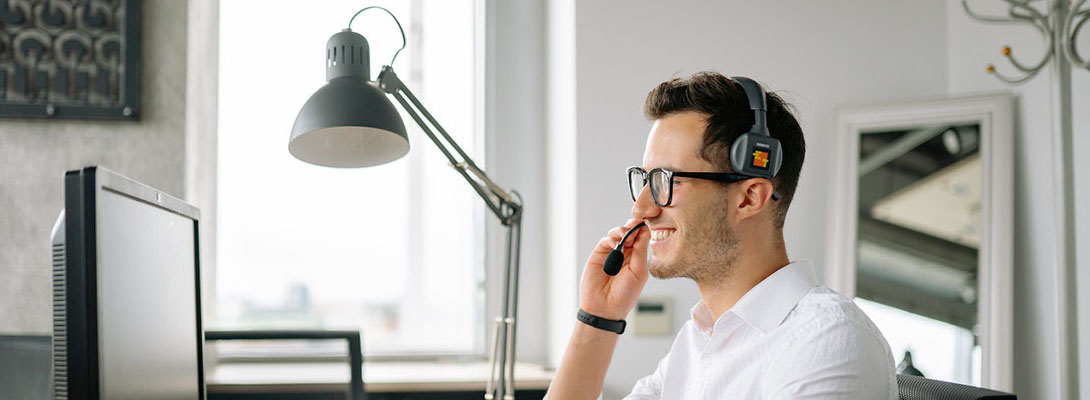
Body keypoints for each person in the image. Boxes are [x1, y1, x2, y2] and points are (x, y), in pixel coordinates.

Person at [545, 72, 898, 399]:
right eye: (646, 179)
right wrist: (599, 316)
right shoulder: (699, 341)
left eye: (669, 181)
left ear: (749, 197)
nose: (642, 209)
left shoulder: (826, 339)